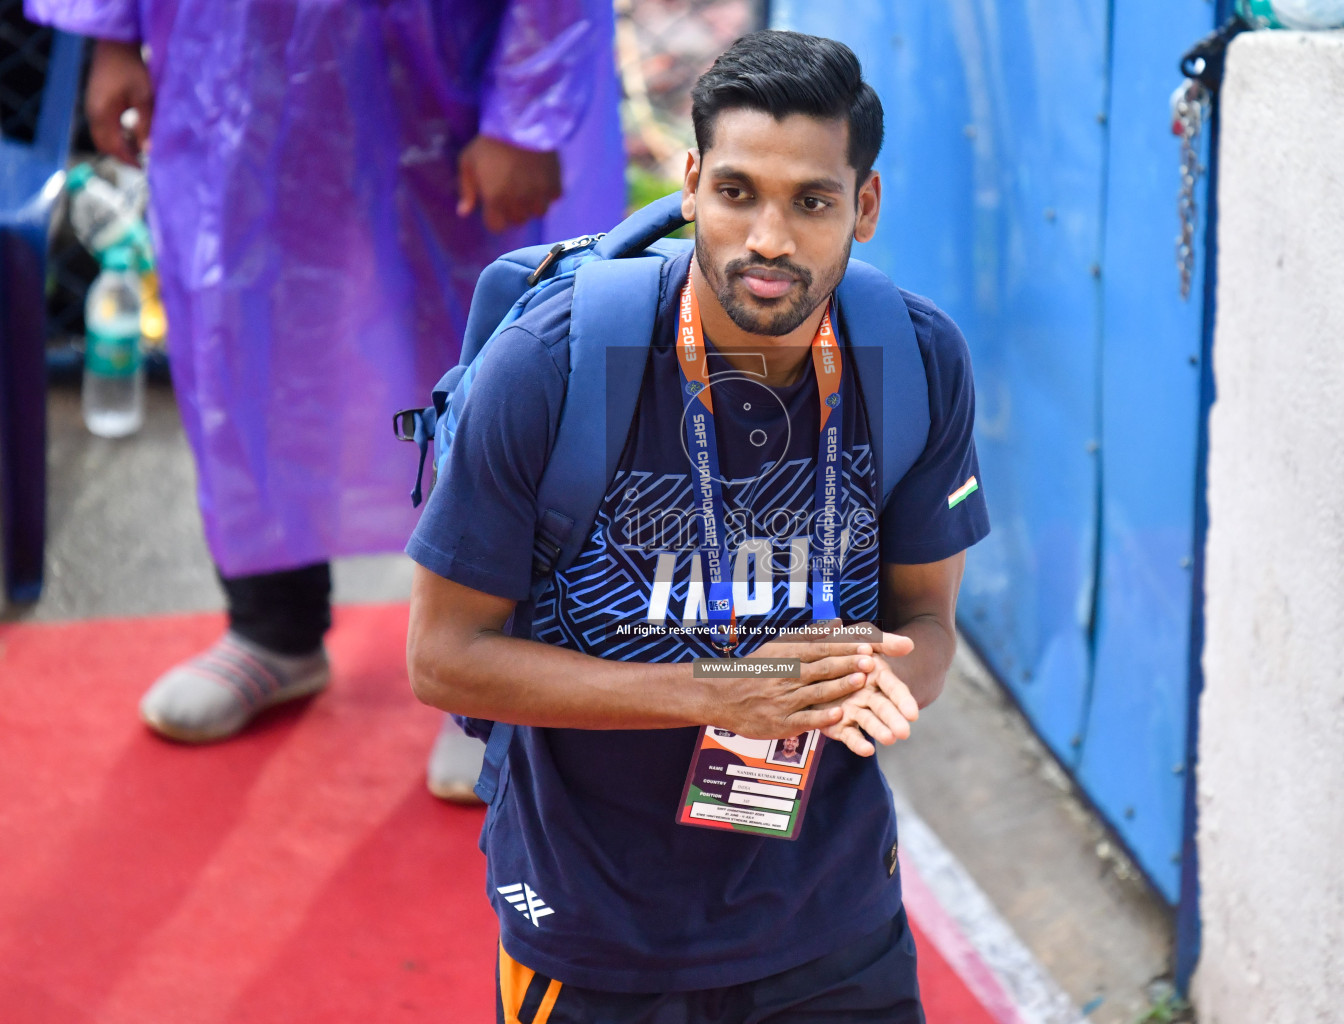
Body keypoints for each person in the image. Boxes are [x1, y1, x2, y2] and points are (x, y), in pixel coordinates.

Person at [406, 30, 989, 1022]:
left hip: (833, 917)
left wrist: (878, 679)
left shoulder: (915, 358)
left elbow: (928, 620)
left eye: (811, 200)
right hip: (597, 926)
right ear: (689, 185)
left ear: (867, 207)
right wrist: (720, 691)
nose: (768, 236)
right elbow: (444, 657)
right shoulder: (551, 367)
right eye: (737, 192)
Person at [25, 0, 625, 795]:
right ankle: (272, 625)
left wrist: (527, 109)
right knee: (244, 328)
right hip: (226, 60)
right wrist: (112, 32)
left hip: (444, 66)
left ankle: (495, 675)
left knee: (485, 351)